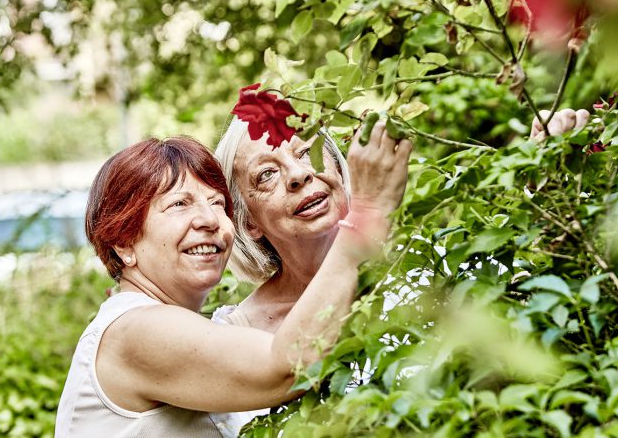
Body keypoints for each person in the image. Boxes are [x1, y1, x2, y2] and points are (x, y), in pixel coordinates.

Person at [55, 129, 410, 437]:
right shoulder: (133, 330)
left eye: (218, 203)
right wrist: (367, 212)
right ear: (124, 242)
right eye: (179, 204)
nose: (210, 220)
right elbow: (287, 367)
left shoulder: (179, 327)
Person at [212, 119, 413, 333]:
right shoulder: (239, 333)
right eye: (267, 174)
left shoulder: (424, 261)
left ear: (337, 168)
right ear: (247, 222)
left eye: (307, 152)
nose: (298, 174)